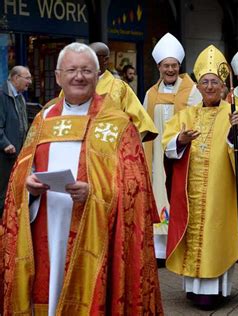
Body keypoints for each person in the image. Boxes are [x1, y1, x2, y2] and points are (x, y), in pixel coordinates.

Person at [0, 43, 162, 314]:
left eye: (86, 70)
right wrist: (28, 188)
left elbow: (135, 190)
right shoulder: (44, 118)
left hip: (96, 234)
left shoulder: (118, 124)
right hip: (45, 226)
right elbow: (21, 172)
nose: (79, 76)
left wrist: (96, 194)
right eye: (72, 70)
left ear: (97, 76)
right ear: (58, 76)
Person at [162, 45, 238, 310]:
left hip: (222, 192)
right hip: (190, 193)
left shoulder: (235, 114)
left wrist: (237, 133)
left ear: (223, 87)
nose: (209, 87)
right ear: (197, 86)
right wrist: (180, 140)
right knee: (194, 235)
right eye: (205, 82)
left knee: (217, 236)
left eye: (215, 82)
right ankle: (193, 288)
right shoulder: (185, 115)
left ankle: (217, 290)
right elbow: (168, 147)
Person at [143, 33, 202, 264]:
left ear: (179, 66)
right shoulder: (150, 94)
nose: (170, 69)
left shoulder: (193, 91)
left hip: (183, 152)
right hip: (157, 154)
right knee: (159, 193)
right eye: (166, 65)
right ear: (159, 66)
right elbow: (144, 124)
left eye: (174, 65)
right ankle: (159, 250)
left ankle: (181, 242)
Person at [0, 66, 31, 217]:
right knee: (3, 192)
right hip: (4, 156)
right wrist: (5, 144)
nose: (30, 82)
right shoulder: (2, 95)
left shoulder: (20, 97)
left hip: (17, 154)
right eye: (27, 78)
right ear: (15, 78)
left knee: (12, 190)